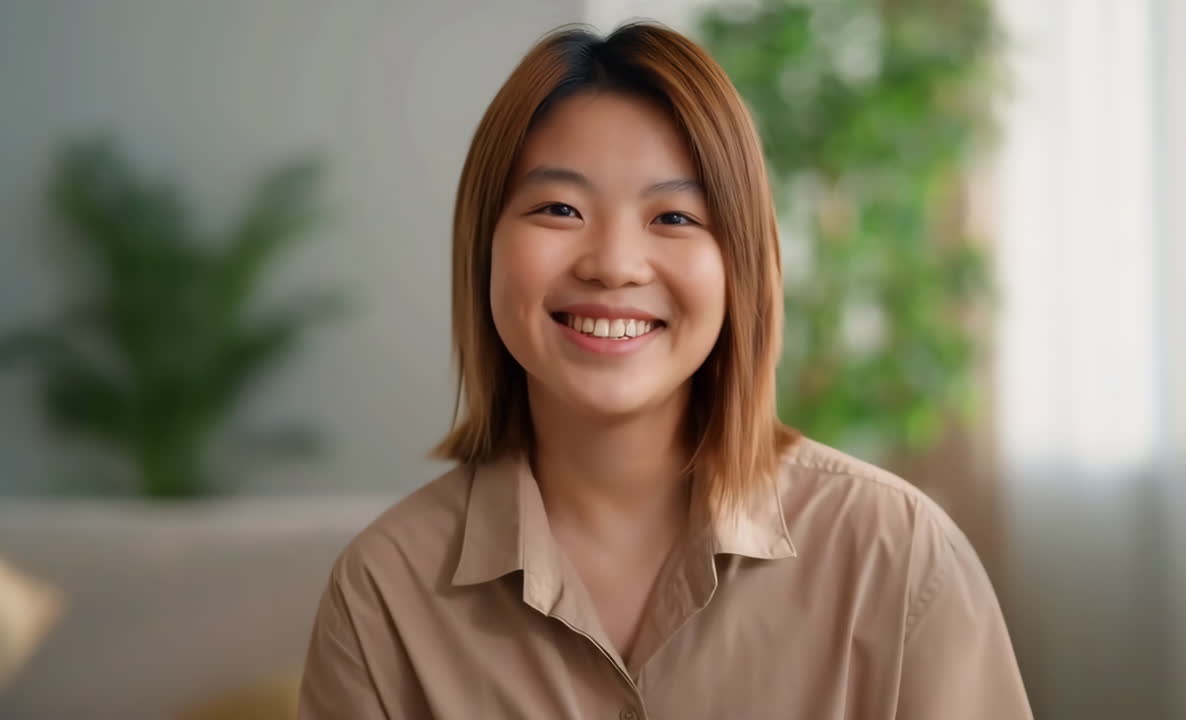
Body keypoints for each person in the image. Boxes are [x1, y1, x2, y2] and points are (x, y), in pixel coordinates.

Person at [298, 21, 1032, 720]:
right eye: (559, 208)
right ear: (483, 246)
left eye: (674, 218)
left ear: (741, 263)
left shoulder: (893, 558)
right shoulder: (385, 593)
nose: (613, 265)